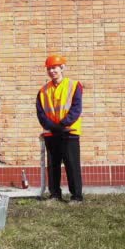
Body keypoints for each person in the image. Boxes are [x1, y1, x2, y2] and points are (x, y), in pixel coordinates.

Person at [36, 54, 84, 203]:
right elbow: (41, 114)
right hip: (51, 134)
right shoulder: (43, 91)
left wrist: (62, 125)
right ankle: (55, 194)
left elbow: (76, 109)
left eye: (54, 68)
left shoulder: (74, 85)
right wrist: (52, 127)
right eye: (49, 69)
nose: (52, 71)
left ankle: (76, 196)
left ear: (62, 68)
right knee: (53, 166)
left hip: (69, 132)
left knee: (72, 165)